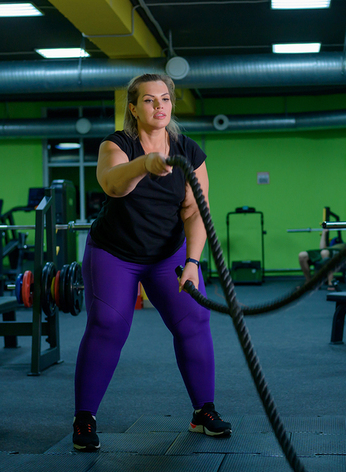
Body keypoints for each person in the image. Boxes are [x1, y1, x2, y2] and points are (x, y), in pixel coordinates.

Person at [72, 73, 231, 452]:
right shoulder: (118, 144)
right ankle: (84, 418)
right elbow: (113, 184)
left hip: (169, 255)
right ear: (133, 107)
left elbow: (195, 213)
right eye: (148, 100)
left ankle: (202, 412)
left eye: (165, 99)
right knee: (107, 324)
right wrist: (145, 164)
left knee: (194, 320)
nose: (159, 106)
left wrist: (193, 261)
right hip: (115, 252)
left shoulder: (189, 151)